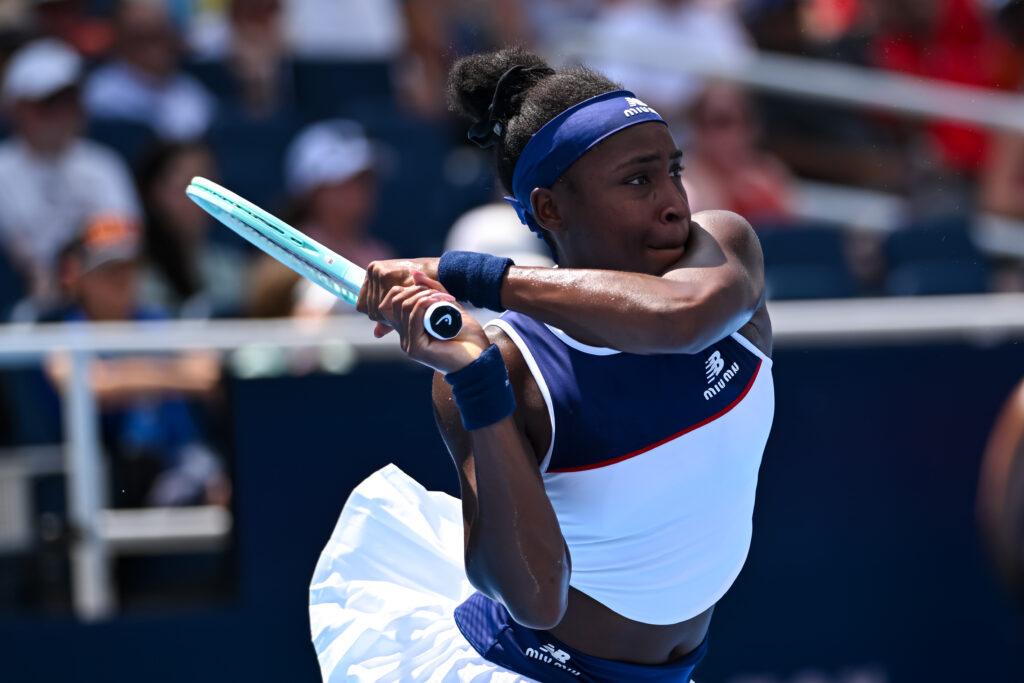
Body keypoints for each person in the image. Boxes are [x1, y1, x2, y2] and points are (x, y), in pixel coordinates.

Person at [310, 46, 774, 681]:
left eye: (674, 171)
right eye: (638, 180)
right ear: (550, 209)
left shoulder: (724, 252)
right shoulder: (510, 367)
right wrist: (475, 384)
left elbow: (678, 320)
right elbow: (532, 596)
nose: (673, 202)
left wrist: (463, 273)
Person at [44, 214, 228, 508]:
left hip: (186, 464)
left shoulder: (157, 320)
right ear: (78, 277)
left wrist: (123, 377)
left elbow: (208, 375)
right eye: (108, 271)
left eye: (129, 269)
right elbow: (84, 385)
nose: (122, 280)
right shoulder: (65, 333)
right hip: (111, 479)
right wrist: (171, 375)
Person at [0, 38, 141, 309]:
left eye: (68, 101)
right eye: (46, 104)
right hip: (18, 306)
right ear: (17, 107)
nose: (60, 113)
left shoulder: (104, 166)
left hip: (98, 305)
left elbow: (124, 244)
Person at [247, 119, 393, 318]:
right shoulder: (281, 258)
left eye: (366, 180)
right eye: (347, 181)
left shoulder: (382, 254)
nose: (361, 190)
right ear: (313, 191)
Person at [136, 141, 248, 318]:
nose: (200, 201)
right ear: (154, 192)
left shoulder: (233, 270)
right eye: (186, 188)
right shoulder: (131, 273)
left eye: (211, 189)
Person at [84, 0, 215, 141]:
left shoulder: (195, 96)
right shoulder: (100, 92)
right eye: (142, 37)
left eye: (160, 35)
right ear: (122, 37)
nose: (154, 48)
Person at [681, 82, 795, 226]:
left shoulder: (770, 172)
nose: (724, 136)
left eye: (727, 122)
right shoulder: (683, 179)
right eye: (716, 122)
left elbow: (792, 231)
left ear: (751, 127)